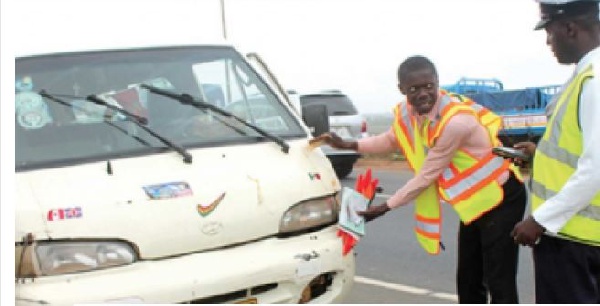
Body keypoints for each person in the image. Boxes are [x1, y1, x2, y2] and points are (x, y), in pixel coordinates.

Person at [313, 55, 527, 303]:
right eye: (414, 89)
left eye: (428, 86)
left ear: (437, 82)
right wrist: (347, 144)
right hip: (476, 203)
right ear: (402, 89)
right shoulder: (409, 113)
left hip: (502, 197)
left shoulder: (456, 122)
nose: (423, 94)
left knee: (498, 277)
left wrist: (385, 206)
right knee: (468, 278)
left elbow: (427, 175)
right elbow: (391, 139)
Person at [510, 0, 600, 303]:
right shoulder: (585, 74)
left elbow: (596, 166)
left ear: (570, 28)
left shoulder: (594, 78)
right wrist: (538, 153)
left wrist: (541, 220)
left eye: (549, 32)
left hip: (575, 239)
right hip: (577, 236)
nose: (549, 42)